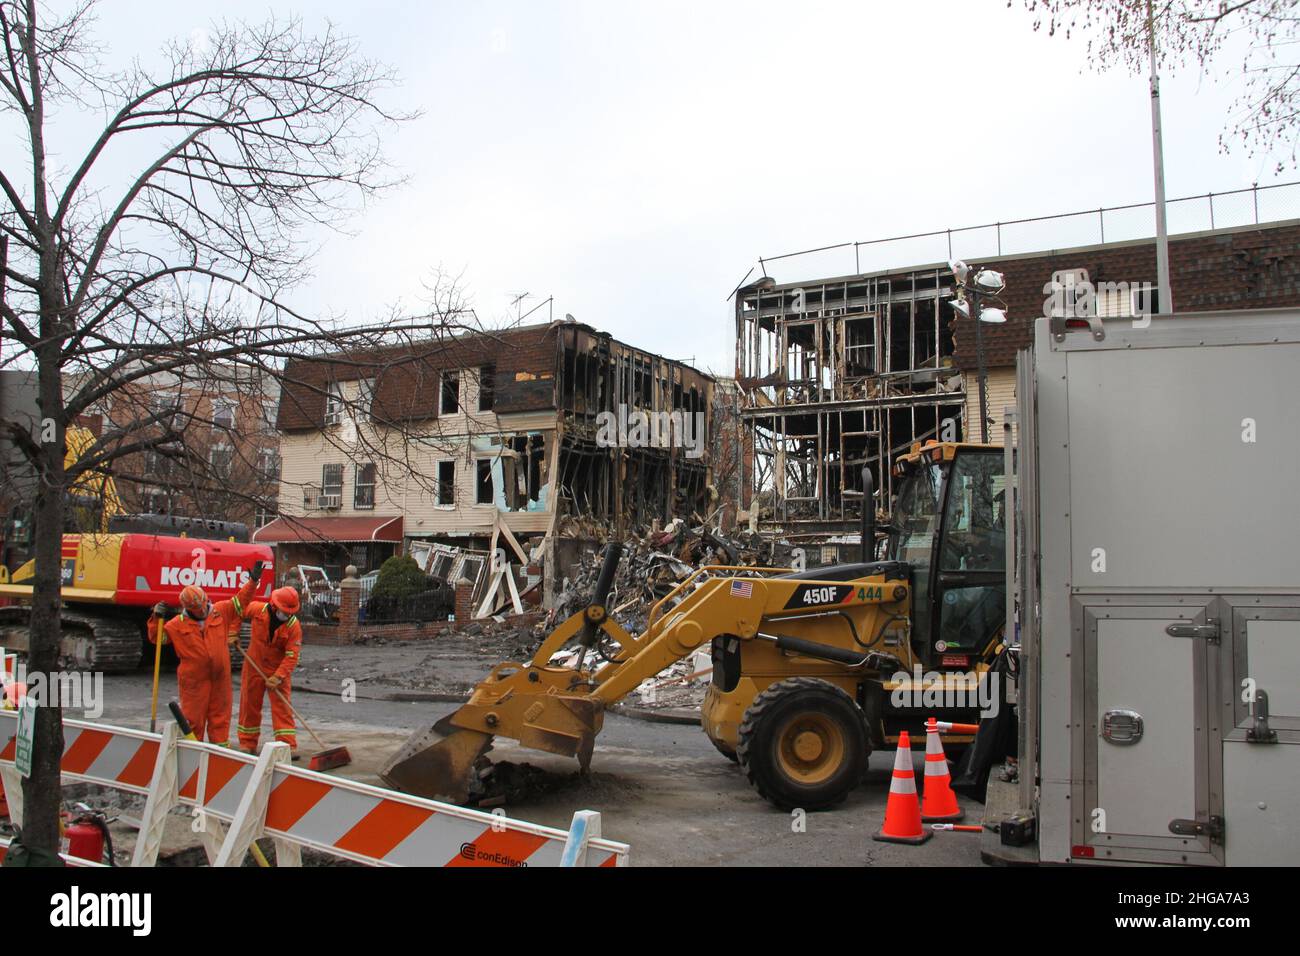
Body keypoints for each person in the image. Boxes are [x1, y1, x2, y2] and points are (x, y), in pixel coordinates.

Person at [147, 560, 264, 746]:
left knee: (220, 719)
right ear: (188, 608)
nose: (202, 610)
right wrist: (155, 618)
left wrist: (253, 581)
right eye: (197, 609)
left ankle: (219, 755)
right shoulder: (176, 624)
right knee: (193, 720)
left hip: (220, 678)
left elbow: (241, 601)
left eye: (203, 605)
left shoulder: (220, 611)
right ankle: (193, 754)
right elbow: (158, 639)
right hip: (194, 681)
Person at [235, 585, 304, 757]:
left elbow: (292, 656)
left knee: (282, 707)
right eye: (284, 611)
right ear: (274, 606)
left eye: (290, 612)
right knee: (249, 704)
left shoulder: (293, 626)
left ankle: (286, 746)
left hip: (278, 669)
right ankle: (247, 743)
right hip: (254, 665)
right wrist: (232, 632)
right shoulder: (258, 610)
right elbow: (236, 611)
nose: (286, 615)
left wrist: (278, 677)